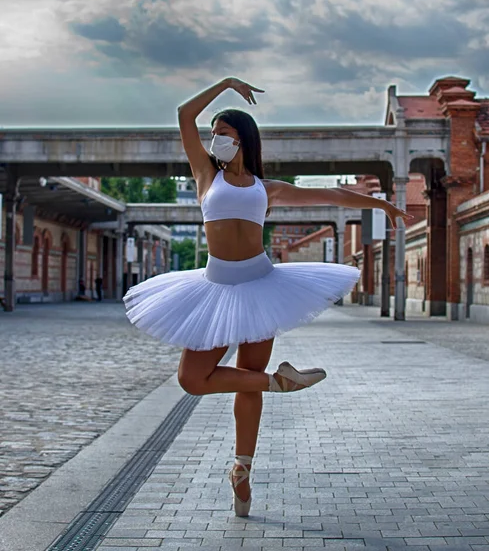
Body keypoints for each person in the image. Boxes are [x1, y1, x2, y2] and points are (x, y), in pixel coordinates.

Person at [123, 77, 412, 517]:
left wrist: (382, 205)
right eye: (213, 133)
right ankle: (282, 381)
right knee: (191, 379)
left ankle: (242, 468)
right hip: (215, 289)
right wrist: (224, 85)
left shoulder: (265, 187)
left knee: (246, 377)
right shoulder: (205, 174)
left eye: (223, 133)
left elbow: (330, 193)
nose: (215, 139)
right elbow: (184, 115)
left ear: (244, 141)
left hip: (261, 285)